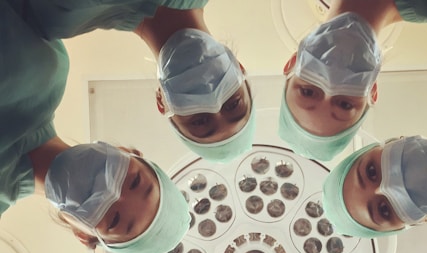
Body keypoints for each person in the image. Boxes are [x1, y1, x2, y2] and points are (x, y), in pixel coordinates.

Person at [1, 2, 190, 253]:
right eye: (133, 181)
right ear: (127, 152)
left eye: (113, 219)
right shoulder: (48, 70)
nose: (110, 191)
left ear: (83, 234)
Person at [7, 0, 256, 162]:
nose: (213, 101)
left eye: (200, 121)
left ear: (161, 101)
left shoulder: (57, 20)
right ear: (240, 67)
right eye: (234, 104)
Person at [279, 0, 427, 162]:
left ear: (291, 63)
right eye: (344, 104)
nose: (330, 83)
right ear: (372, 91)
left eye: (308, 92)